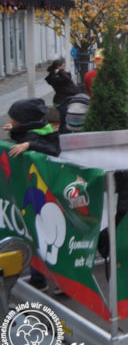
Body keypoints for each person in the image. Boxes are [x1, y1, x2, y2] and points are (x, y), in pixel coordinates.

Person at [3, 98, 60, 290]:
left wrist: (28, 145)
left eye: (14, 119)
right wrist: (14, 129)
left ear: (24, 121)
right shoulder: (35, 129)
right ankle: (42, 280)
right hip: (33, 194)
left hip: (43, 196)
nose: (11, 121)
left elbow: (51, 148)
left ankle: (51, 281)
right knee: (36, 236)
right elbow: (25, 135)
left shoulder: (38, 135)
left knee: (42, 238)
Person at [45, 58, 80, 133]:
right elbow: (66, 79)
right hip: (62, 101)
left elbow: (68, 81)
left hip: (66, 99)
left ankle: (62, 134)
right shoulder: (55, 76)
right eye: (63, 66)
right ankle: (64, 135)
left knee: (65, 121)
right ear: (58, 66)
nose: (64, 68)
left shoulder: (59, 75)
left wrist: (67, 73)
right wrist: (61, 71)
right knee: (65, 121)